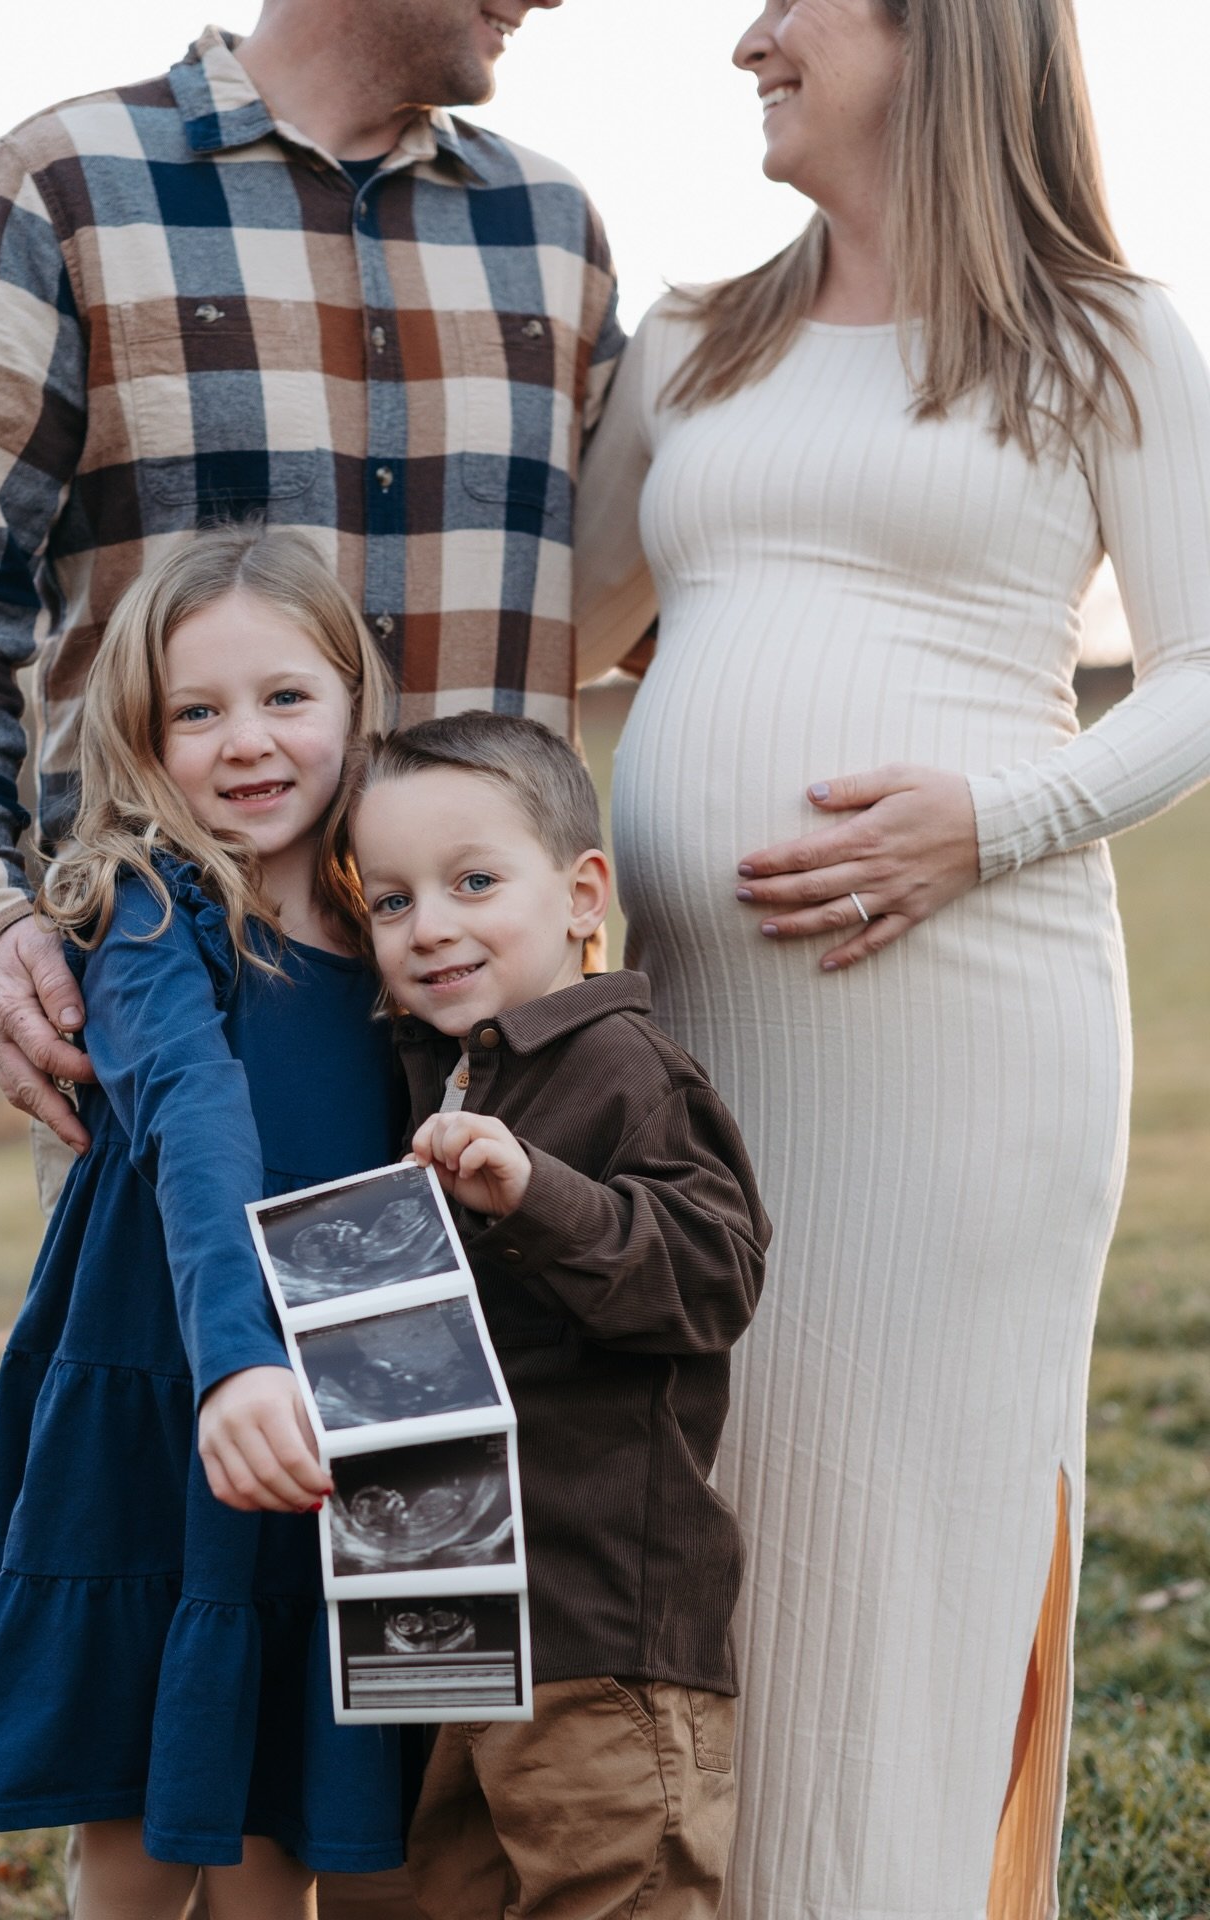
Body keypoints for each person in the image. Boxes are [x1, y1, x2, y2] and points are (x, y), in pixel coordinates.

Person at [573, 1, 1210, 1915]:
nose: (746, 37)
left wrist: (988, 819)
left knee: (907, 1537)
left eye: (798, 3)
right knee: (716, 1511)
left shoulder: (1107, 338)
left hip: (971, 1055)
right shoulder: (694, 346)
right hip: (688, 1058)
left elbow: (1198, 675)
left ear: (945, 39)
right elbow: (572, 635)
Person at [0, 0, 619, 1175]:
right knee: (193, 1364)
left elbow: (679, 574)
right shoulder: (64, 188)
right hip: (184, 1040)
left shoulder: (553, 233)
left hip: (505, 1078)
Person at [0, 525, 411, 1918]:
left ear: (353, 705)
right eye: (197, 712)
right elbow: (198, 1129)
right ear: (143, 738)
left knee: (278, 1818)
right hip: (170, 1393)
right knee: (140, 1822)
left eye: (284, 699)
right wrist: (238, 1360)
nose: (244, 742)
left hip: (333, 1405)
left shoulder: (393, 921)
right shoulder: (151, 912)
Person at [346, 712, 771, 1920]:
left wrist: (540, 1194)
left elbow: (713, 1274)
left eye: (473, 882)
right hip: (442, 1619)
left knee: (612, 1890)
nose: (429, 925)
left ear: (585, 894)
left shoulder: (630, 1075)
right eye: (390, 901)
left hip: (598, 1633)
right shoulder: (421, 1075)